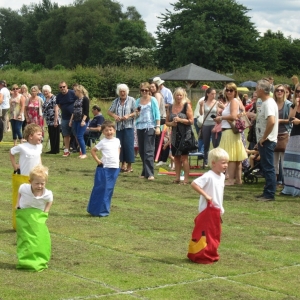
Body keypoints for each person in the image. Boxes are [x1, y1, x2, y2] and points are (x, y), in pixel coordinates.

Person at [189, 147, 229, 263]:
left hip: (216, 210)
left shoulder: (221, 176)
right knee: (206, 235)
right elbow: (194, 184)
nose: (226, 165)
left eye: (227, 163)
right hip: (207, 210)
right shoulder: (209, 175)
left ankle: (211, 253)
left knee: (215, 234)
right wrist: (206, 195)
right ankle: (202, 254)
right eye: (223, 163)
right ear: (213, 163)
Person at [15, 164, 53, 271]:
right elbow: (19, 193)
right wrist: (17, 204)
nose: (40, 186)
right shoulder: (23, 188)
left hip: (38, 215)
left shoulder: (48, 194)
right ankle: (25, 260)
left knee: (37, 237)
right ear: (30, 181)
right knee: (25, 237)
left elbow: (49, 202)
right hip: (24, 213)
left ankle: (38, 259)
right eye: (37, 183)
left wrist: (46, 212)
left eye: (42, 183)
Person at [214, 83, 247, 186]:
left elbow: (233, 116)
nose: (228, 92)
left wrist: (221, 118)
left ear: (235, 91)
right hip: (231, 131)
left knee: (231, 157)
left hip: (229, 131)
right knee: (236, 157)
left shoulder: (233, 101)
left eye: (231, 90)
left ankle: (231, 180)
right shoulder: (231, 102)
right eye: (227, 90)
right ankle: (238, 180)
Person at [88, 120, 121, 217]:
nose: (109, 132)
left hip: (115, 167)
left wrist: (117, 159)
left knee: (109, 189)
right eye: (106, 130)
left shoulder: (117, 140)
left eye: (110, 130)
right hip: (105, 168)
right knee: (102, 188)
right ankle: (96, 210)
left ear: (114, 130)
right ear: (103, 132)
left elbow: (118, 149)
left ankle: (104, 209)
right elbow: (93, 150)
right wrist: (98, 161)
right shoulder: (103, 142)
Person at [255, 79, 278, 201]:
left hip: (267, 141)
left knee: (268, 167)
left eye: (257, 88)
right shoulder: (266, 103)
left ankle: (269, 194)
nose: (255, 90)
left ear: (261, 90)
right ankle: (266, 192)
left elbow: (271, 121)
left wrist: (264, 137)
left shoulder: (268, 103)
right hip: (265, 140)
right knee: (266, 166)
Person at [165, 87, 193, 184]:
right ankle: (177, 177)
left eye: (181, 95)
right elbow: (166, 122)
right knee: (176, 157)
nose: (179, 97)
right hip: (175, 136)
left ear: (184, 96)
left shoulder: (186, 106)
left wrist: (181, 120)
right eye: (177, 95)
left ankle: (186, 179)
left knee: (184, 157)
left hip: (185, 135)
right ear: (174, 96)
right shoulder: (170, 107)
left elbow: (191, 121)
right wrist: (171, 124)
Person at [107, 84, 136, 172]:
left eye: (124, 91)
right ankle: (122, 164)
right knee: (120, 145)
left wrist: (129, 115)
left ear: (126, 92)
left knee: (128, 145)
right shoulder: (116, 101)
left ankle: (130, 166)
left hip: (129, 126)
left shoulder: (131, 100)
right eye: (120, 91)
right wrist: (115, 116)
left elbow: (137, 112)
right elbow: (109, 111)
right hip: (119, 127)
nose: (122, 93)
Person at [135, 82, 161, 180]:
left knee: (148, 150)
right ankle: (144, 171)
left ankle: (150, 173)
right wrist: (136, 113)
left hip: (150, 126)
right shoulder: (138, 101)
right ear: (140, 91)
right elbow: (136, 114)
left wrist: (158, 126)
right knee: (141, 151)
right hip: (140, 126)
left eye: (146, 90)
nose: (144, 92)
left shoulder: (153, 100)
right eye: (142, 90)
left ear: (149, 91)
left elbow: (157, 114)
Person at [281, 84, 300, 196]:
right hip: (294, 136)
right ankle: (289, 188)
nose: (298, 93)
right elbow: (290, 119)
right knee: (290, 162)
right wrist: (296, 105)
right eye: (297, 91)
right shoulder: (294, 105)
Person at [273, 84, 292, 186]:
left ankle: (286, 182)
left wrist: (279, 120)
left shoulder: (288, 104)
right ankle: (274, 182)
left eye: (281, 90)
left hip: (285, 133)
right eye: (277, 90)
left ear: (285, 93)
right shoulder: (272, 104)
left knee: (285, 160)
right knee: (274, 161)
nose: (279, 92)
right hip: (273, 134)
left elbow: (290, 120)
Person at [199, 88, 221, 166]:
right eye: (212, 93)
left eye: (215, 93)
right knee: (206, 143)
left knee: (215, 143)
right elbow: (201, 113)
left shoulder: (217, 103)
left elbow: (218, 113)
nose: (214, 95)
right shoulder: (203, 102)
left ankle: (216, 160)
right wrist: (201, 105)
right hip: (206, 124)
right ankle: (205, 161)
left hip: (214, 124)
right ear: (207, 94)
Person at [55, 81, 77, 157]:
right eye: (61, 87)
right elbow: (59, 105)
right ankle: (66, 151)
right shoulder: (58, 96)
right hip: (64, 117)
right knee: (66, 134)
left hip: (75, 117)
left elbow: (78, 103)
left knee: (76, 134)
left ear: (67, 86)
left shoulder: (73, 93)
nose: (62, 88)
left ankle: (81, 150)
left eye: (64, 86)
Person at [69, 85, 90, 159]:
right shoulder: (77, 100)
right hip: (76, 120)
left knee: (80, 136)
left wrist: (83, 120)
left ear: (79, 91)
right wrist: (71, 120)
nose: (74, 92)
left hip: (82, 120)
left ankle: (84, 153)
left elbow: (86, 111)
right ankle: (81, 151)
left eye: (75, 91)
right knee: (77, 136)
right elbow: (74, 111)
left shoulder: (85, 99)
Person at [150, 82, 167, 166]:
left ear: (156, 87)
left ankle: (158, 157)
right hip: (159, 118)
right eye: (150, 87)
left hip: (160, 118)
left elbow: (156, 107)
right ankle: (157, 157)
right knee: (158, 139)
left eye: (153, 87)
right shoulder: (156, 95)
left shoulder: (157, 95)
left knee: (159, 139)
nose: (151, 88)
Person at [42, 85, 61, 154]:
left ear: (49, 91)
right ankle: (53, 149)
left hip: (54, 119)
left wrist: (56, 120)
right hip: (49, 120)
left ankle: (56, 150)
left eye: (46, 91)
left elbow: (56, 110)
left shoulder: (54, 98)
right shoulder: (46, 98)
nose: (45, 93)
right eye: (44, 91)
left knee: (55, 135)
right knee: (51, 134)